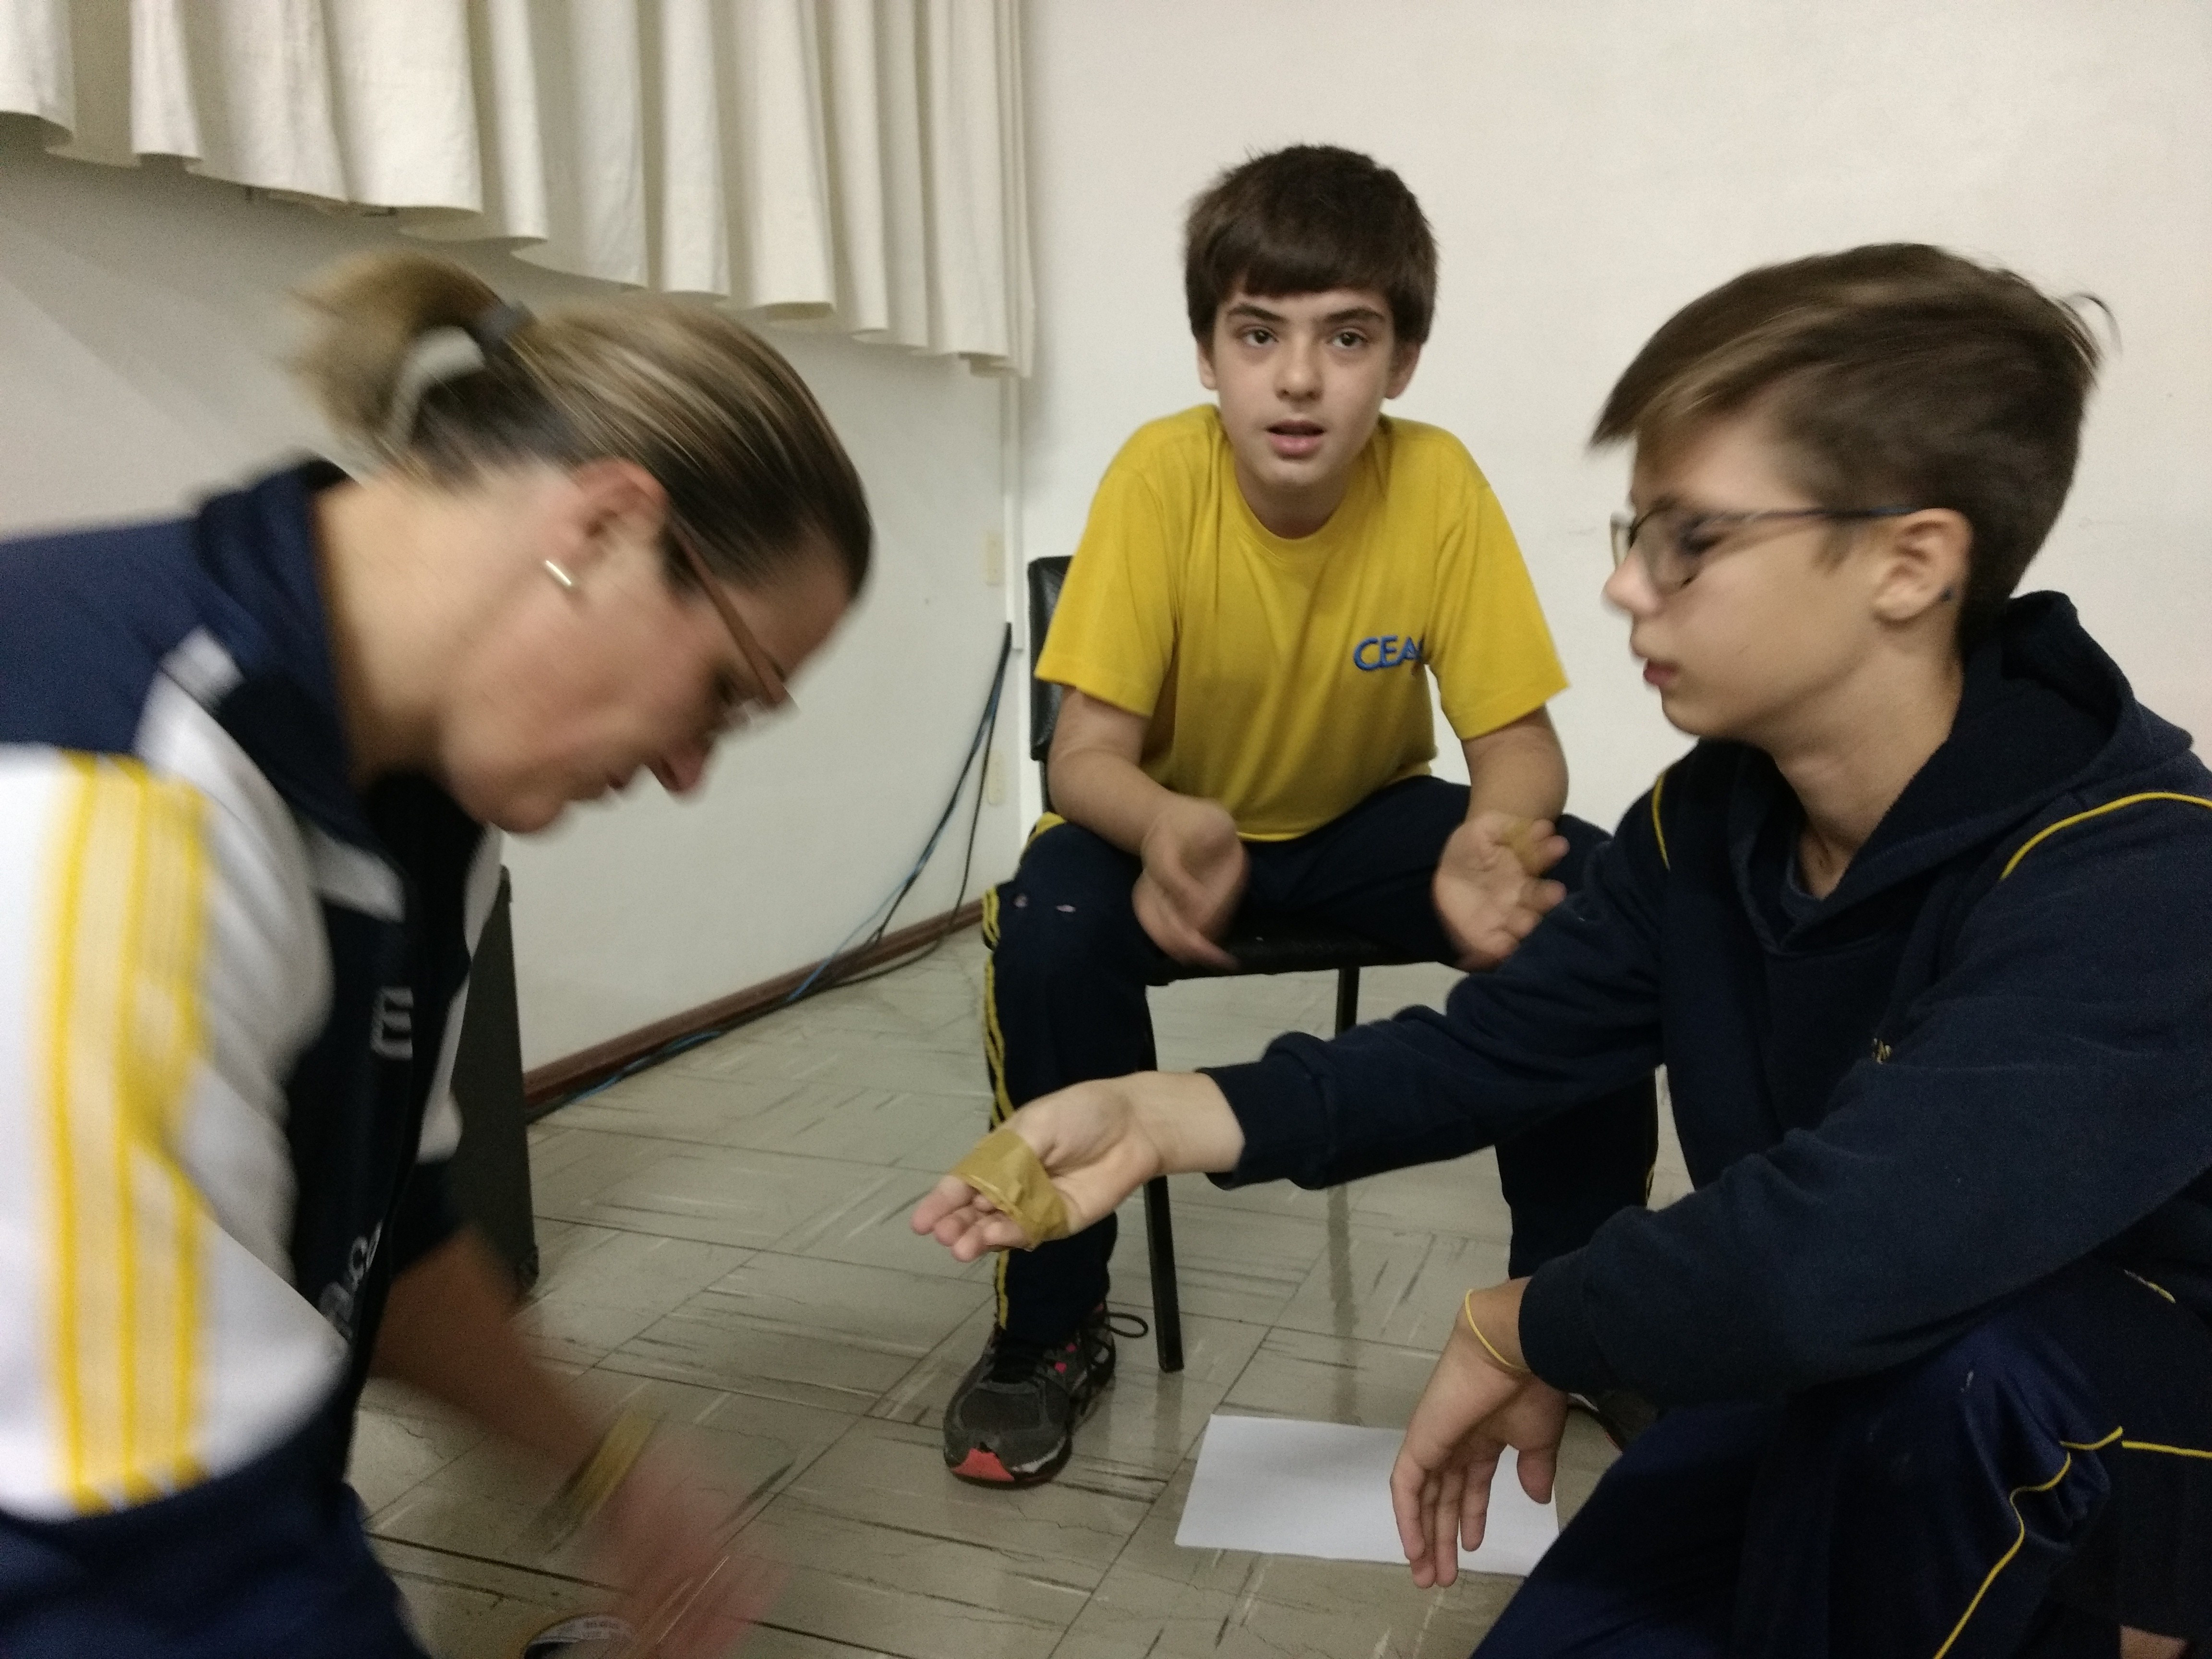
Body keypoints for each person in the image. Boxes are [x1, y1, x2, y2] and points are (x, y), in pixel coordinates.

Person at [916, 243, 2212, 1657]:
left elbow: (1842, 1253)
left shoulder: (2140, 872)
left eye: (1692, 539)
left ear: (1911, 563)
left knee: (1973, 1372)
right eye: (1634, 531)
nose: (1627, 588)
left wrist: (1534, 1321)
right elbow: (1500, 1046)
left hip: (2098, 1429)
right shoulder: (1713, 822)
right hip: (1849, 1384)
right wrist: (1169, 1114)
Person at [0, 251, 871, 1659]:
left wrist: (608, 1468)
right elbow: (158, 1564)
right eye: (724, 690)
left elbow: (382, 1231)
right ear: (605, 524)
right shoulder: (116, 800)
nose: (689, 770)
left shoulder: (421, 804)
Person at [941, 145, 1658, 1487]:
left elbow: (1517, 747)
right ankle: (1052, 1323)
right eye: (1259, 333)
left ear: (1402, 362)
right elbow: (1083, 757)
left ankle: (1572, 1313)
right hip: (1166, 826)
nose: (1299, 377)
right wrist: (1165, 824)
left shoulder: (1437, 482)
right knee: (1045, 921)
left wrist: (1492, 841)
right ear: (1208, 355)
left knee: (1592, 899)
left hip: (1360, 819)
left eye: (1348, 337)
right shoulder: (1157, 477)